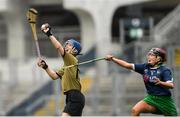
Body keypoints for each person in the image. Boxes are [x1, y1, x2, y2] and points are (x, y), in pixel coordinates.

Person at [105, 48, 178, 116]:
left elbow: (171, 85)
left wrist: (161, 83)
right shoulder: (145, 67)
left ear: (158, 58)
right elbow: (127, 65)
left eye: (152, 55)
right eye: (149, 54)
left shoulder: (165, 70)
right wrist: (113, 59)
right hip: (151, 98)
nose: (149, 56)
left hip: (164, 100)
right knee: (135, 110)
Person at [37, 23, 85, 116]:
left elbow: (59, 47)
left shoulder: (72, 59)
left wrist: (49, 34)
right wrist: (45, 67)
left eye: (69, 45)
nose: (66, 46)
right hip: (71, 97)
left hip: (75, 96)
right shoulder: (66, 65)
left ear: (75, 50)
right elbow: (54, 76)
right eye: (66, 44)